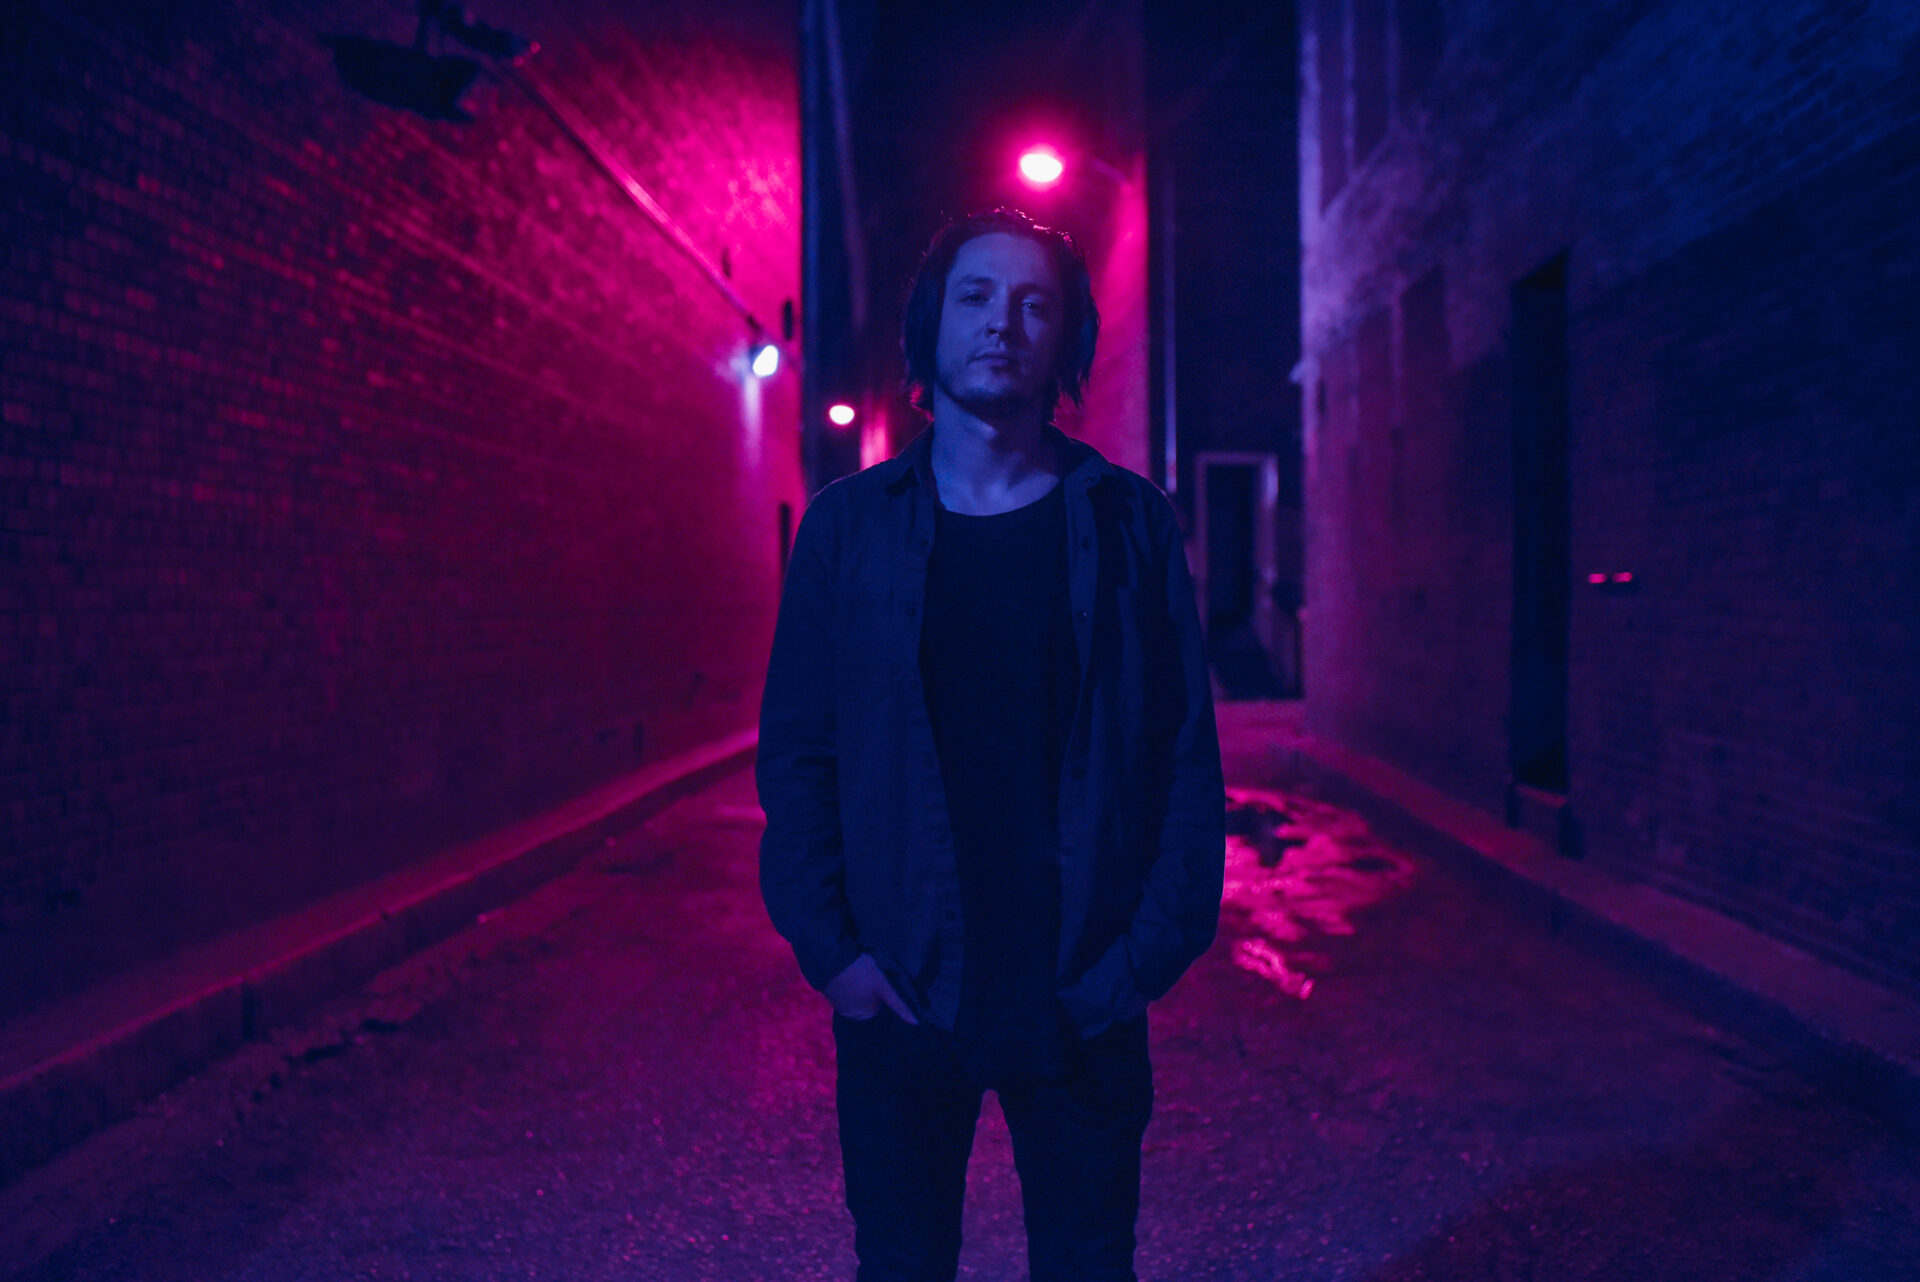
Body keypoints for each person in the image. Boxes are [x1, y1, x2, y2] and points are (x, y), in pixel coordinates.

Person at [757, 207, 1225, 1282]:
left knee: (1089, 1264)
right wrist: (837, 958)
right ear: (932, 324)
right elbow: (799, 754)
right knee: (902, 1263)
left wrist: (1142, 960)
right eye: (975, 297)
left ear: (1065, 339)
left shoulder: (1131, 524)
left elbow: (1184, 760)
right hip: (903, 986)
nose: (1002, 325)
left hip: (1082, 987)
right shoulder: (848, 528)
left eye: (1033, 304)